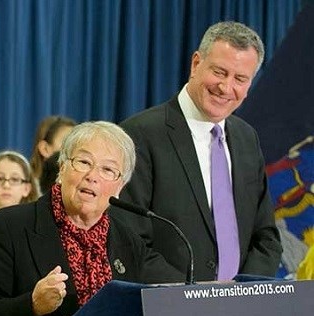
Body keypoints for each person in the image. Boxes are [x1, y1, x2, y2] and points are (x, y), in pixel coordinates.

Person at [0, 122, 182, 316]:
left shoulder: (129, 243)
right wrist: (31, 305)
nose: (92, 176)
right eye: (84, 162)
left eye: (108, 170)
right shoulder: (6, 227)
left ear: (120, 186)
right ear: (62, 167)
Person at [115, 21, 282, 282]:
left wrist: (244, 292)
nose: (226, 87)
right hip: (170, 308)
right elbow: (128, 240)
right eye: (219, 72)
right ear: (196, 64)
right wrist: (193, 297)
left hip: (240, 310)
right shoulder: (140, 134)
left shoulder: (247, 138)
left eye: (240, 79)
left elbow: (266, 237)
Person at [29, 115, 76, 193]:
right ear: (45, 149)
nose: (74, 149)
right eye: (67, 142)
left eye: (77, 143)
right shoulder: (24, 189)